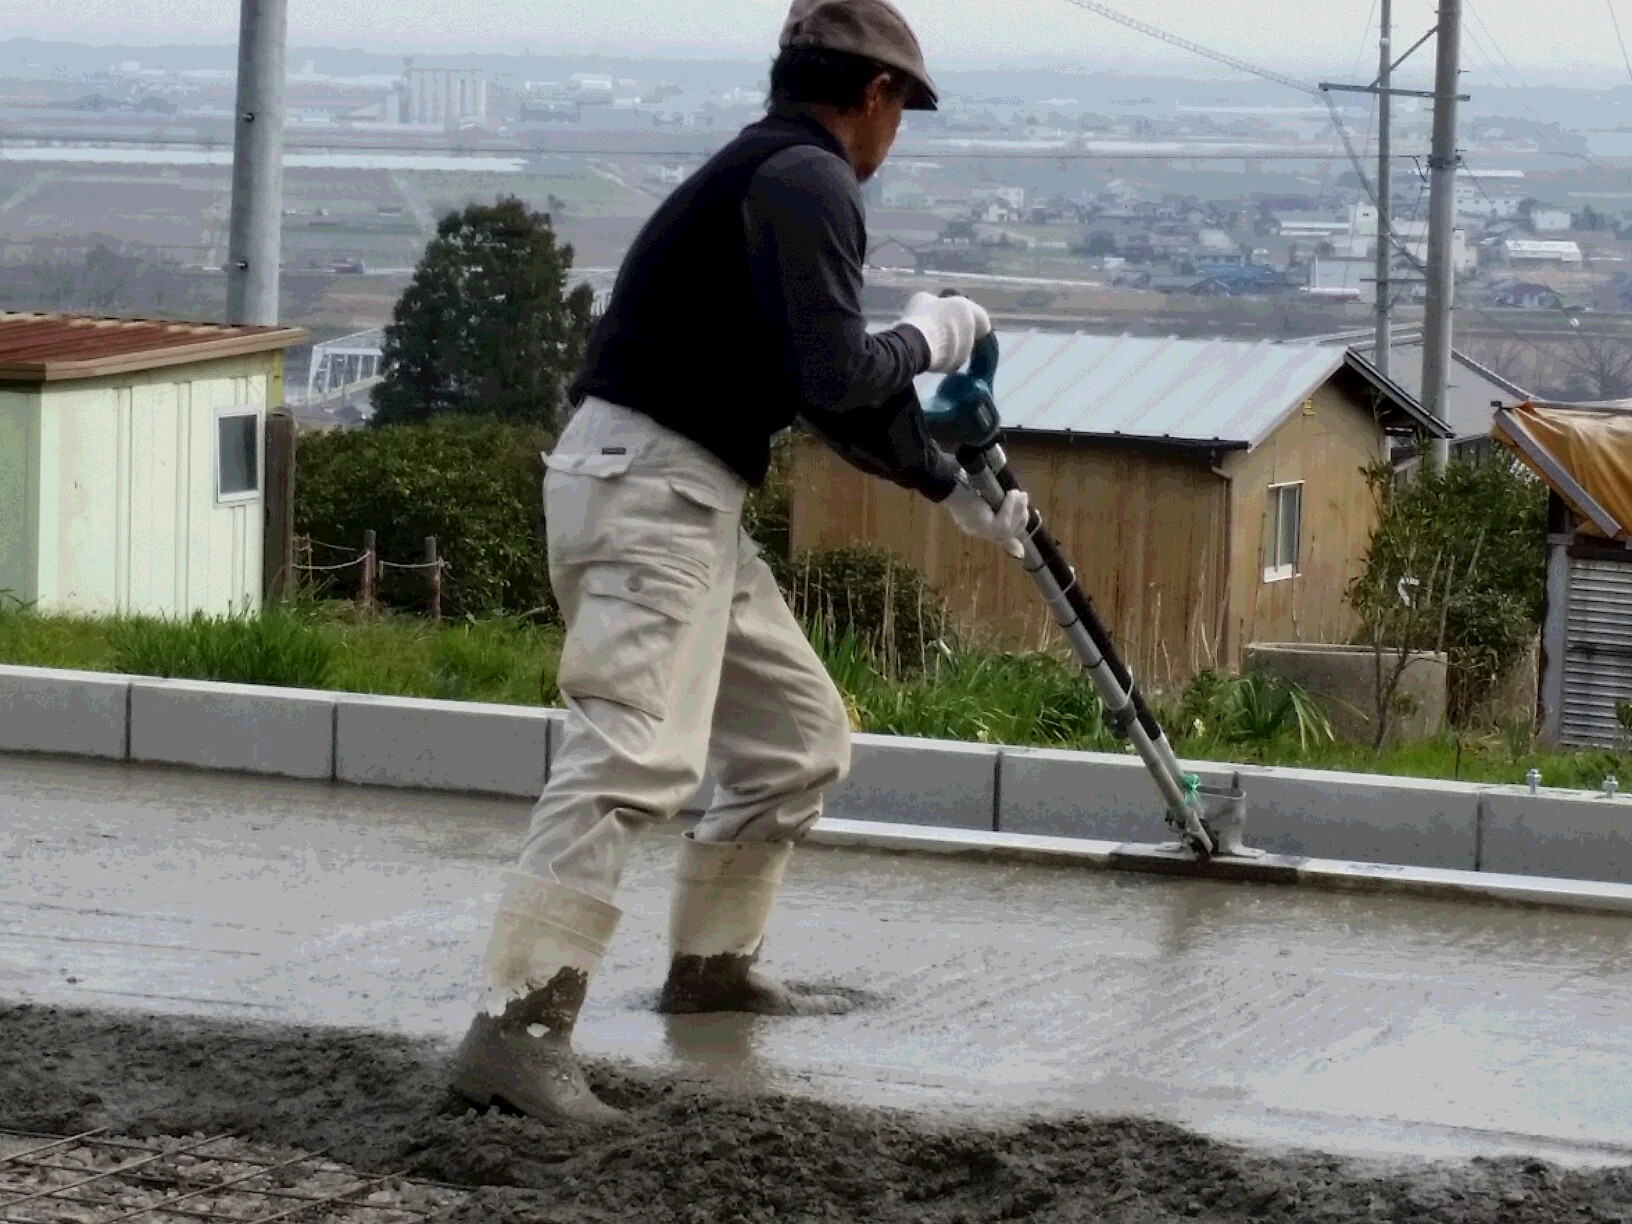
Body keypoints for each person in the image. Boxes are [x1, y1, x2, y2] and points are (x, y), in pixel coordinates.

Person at [449, 0, 1029, 1126]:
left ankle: (710, 969)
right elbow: (838, 364)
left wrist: (950, 485)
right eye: (900, 110)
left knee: (795, 741)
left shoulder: (772, 177)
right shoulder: (809, 181)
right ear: (874, 98)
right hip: (650, 488)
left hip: (681, 489)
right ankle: (513, 1034)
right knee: (630, 754)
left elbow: (826, 385)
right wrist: (935, 337)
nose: (894, 132)